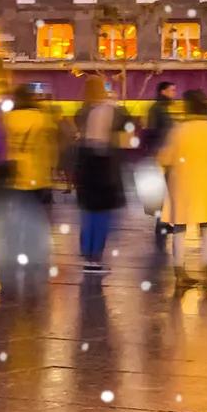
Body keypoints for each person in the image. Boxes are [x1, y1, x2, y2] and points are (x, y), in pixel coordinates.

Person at [2, 84, 63, 288]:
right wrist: (53, 167)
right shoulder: (42, 118)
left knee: (15, 216)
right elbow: (52, 144)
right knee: (37, 216)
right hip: (38, 174)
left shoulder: (8, 118)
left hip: (14, 174)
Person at [158, 90, 207, 280]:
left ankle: (179, 271)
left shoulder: (180, 129)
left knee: (180, 228)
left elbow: (166, 157)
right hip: (206, 182)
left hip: (182, 182)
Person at [71, 78, 127, 275]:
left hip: (85, 165)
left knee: (88, 214)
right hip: (103, 166)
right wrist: (114, 103)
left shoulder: (82, 112)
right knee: (102, 215)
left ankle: (88, 255)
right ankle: (95, 258)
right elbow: (125, 123)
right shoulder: (108, 110)